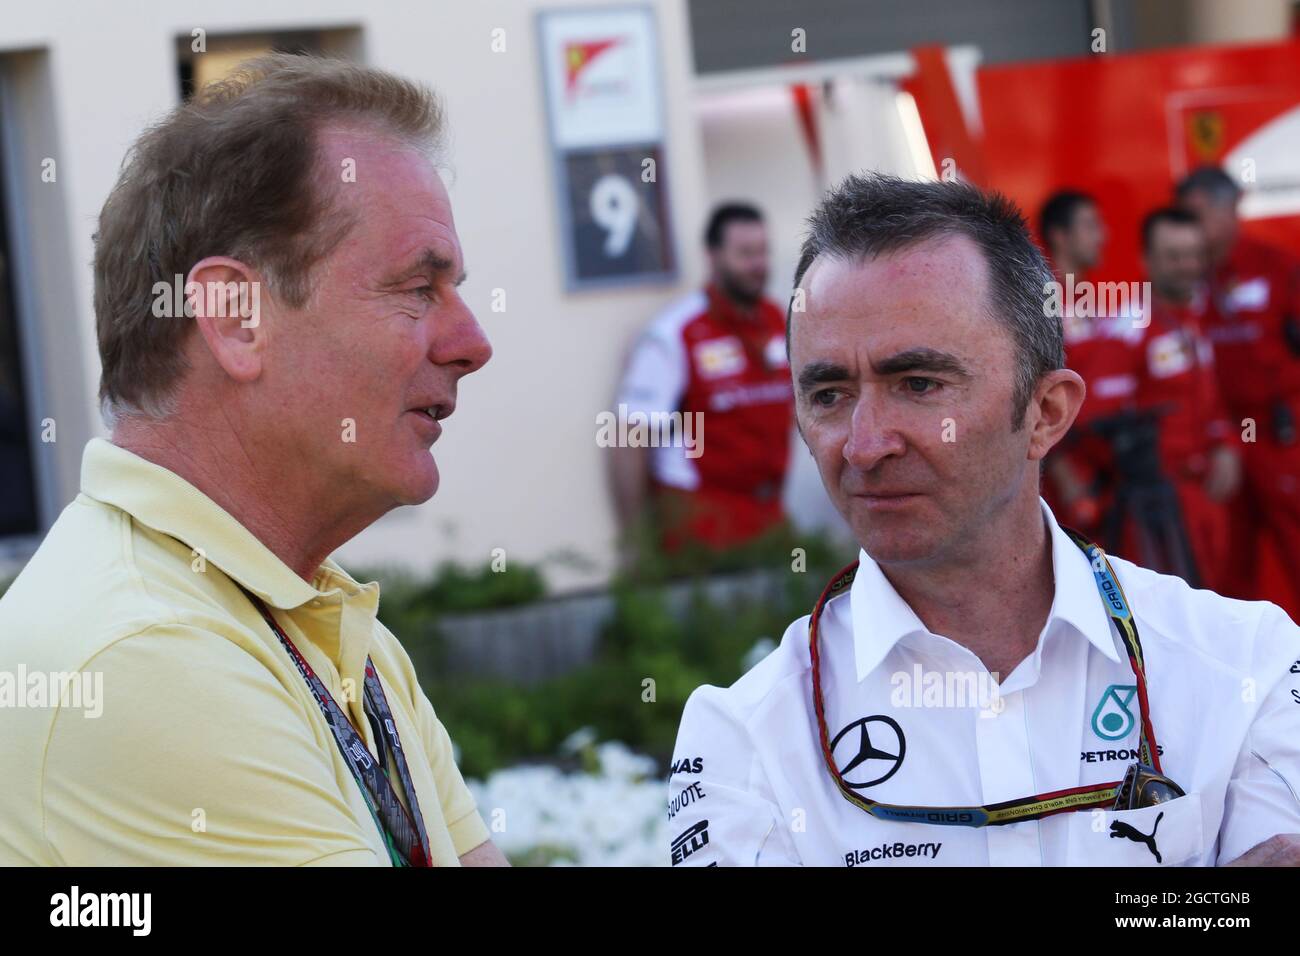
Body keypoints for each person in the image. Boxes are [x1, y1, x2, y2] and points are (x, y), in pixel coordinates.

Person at [667, 173, 1300, 867]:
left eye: (919, 385)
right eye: (828, 393)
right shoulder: (743, 739)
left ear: (1046, 413)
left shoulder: (1250, 666)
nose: (864, 443)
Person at [0, 55, 506, 866]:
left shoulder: (320, 619)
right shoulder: (147, 652)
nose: (471, 344)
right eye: (418, 288)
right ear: (235, 317)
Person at [610, 203, 794, 555]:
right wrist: (635, 545)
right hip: (700, 526)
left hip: (770, 519)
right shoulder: (674, 333)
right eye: (744, 253)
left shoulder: (777, 321)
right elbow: (627, 437)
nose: (758, 265)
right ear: (713, 256)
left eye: (763, 251)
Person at [1177, 166, 1300, 605]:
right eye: (1185, 217)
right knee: (1227, 575)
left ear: (1230, 210)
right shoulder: (1184, 283)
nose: (1192, 228)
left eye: (1200, 214)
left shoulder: (1276, 267)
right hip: (1223, 447)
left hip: (1281, 440)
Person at [1123, 208, 1239, 589]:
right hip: (1159, 507)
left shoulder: (1203, 315)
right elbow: (1101, 419)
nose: (1188, 265)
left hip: (1207, 495)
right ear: (1147, 260)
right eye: (1174, 256)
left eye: (1194, 254)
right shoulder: (1127, 325)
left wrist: (1226, 445)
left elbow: (1213, 397)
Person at [1037, 190, 1135, 541]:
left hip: (1114, 475)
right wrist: (1066, 476)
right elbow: (1037, 393)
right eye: (1091, 226)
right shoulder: (1041, 305)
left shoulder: (1095, 300)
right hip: (1072, 488)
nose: (1103, 236)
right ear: (1060, 236)